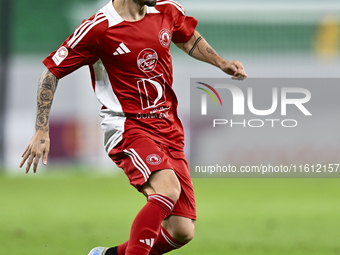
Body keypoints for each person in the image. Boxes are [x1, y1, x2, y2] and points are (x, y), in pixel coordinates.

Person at [20, 0, 247, 254]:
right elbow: (51, 72)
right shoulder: (99, 28)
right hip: (128, 127)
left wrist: (221, 62)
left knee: (182, 230)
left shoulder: (165, 10)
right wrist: (41, 129)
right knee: (167, 190)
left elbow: (187, 37)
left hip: (168, 127)